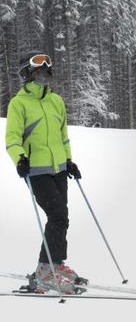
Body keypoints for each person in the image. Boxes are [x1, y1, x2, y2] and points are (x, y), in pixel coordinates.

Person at [5, 51, 82, 294]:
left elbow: (63, 136)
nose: (43, 72)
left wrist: (69, 161)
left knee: (61, 217)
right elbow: (12, 139)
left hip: (59, 170)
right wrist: (19, 159)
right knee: (58, 215)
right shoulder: (19, 103)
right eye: (38, 68)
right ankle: (45, 271)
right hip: (36, 171)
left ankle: (56, 264)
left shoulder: (55, 101)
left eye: (46, 68)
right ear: (27, 73)